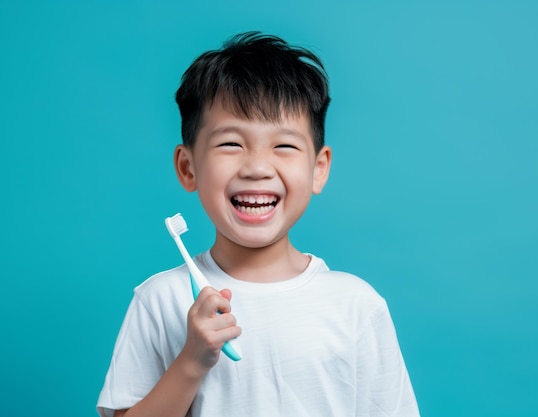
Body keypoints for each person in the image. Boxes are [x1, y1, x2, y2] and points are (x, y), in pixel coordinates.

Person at [97, 31, 420, 417]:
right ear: (188, 167)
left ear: (318, 169)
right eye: (231, 144)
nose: (257, 168)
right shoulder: (160, 300)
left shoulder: (357, 305)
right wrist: (192, 362)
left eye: (283, 146)